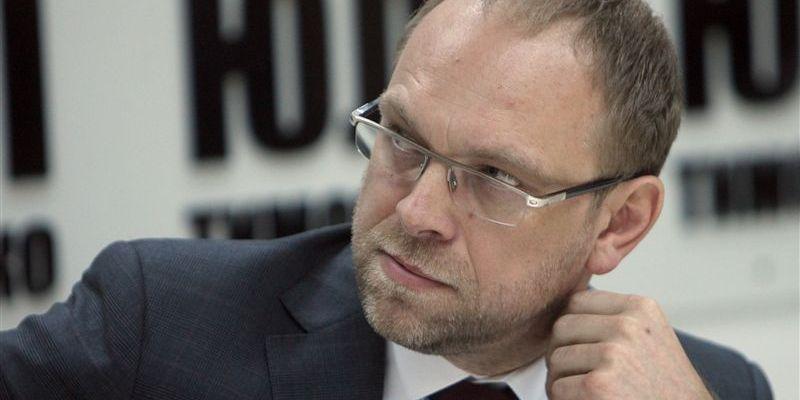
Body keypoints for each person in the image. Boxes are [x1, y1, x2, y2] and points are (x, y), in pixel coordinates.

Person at [1, 0, 773, 399]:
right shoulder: (159, 327)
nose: (416, 213)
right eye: (403, 138)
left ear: (620, 223)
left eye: (494, 178)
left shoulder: (716, 390)